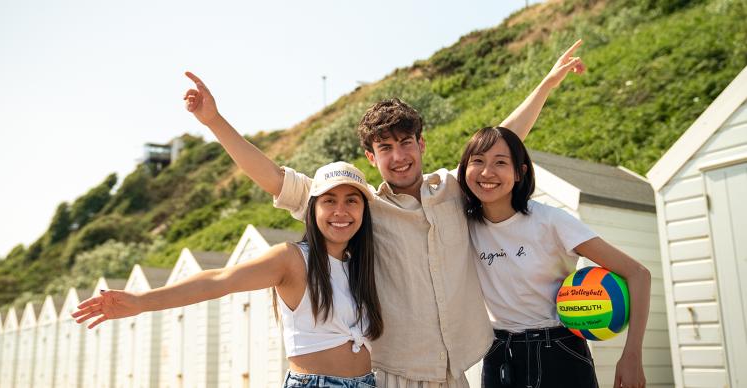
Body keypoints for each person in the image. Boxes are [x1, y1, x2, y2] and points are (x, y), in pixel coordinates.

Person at [181, 40, 585, 387]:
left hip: (455, 371)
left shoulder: (452, 189)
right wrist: (214, 120)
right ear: (371, 157)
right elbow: (274, 178)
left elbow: (501, 141)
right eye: (385, 148)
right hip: (393, 371)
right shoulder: (361, 206)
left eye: (405, 143)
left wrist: (546, 84)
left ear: (421, 144)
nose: (399, 156)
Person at [73, 161, 383, 387]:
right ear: (313, 209)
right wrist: (143, 301)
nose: (340, 212)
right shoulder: (292, 260)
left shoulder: (362, 266)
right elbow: (220, 281)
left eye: (351, 201)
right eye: (329, 200)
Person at [456, 126, 651, 388]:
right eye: (477, 161)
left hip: (559, 351)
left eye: (500, 163)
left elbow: (638, 274)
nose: (487, 172)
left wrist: (632, 355)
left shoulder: (552, 221)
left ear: (519, 172)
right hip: (499, 356)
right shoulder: (461, 225)